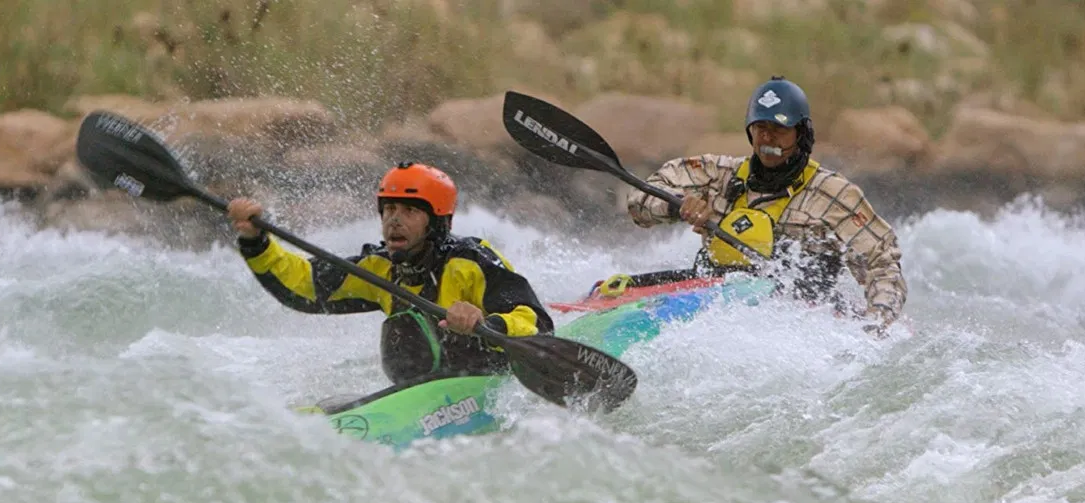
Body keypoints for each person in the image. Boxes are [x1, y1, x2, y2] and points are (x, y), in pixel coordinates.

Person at [604, 76, 907, 333]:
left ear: (802, 134)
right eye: (760, 128)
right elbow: (639, 200)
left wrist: (877, 323)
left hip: (795, 318)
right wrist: (678, 206)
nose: (767, 139)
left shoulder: (835, 195)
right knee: (611, 288)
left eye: (779, 129)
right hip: (711, 297)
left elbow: (883, 263)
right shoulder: (717, 174)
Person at [227, 161, 555, 384]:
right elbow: (304, 285)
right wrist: (256, 241)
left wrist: (488, 323)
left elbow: (537, 324)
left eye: (410, 211)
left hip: (490, 377)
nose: (394, 220)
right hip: (425, 389)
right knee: (404, 327)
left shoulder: (471, 262)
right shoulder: (380, 267)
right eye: (389, 210)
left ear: (437, 222)